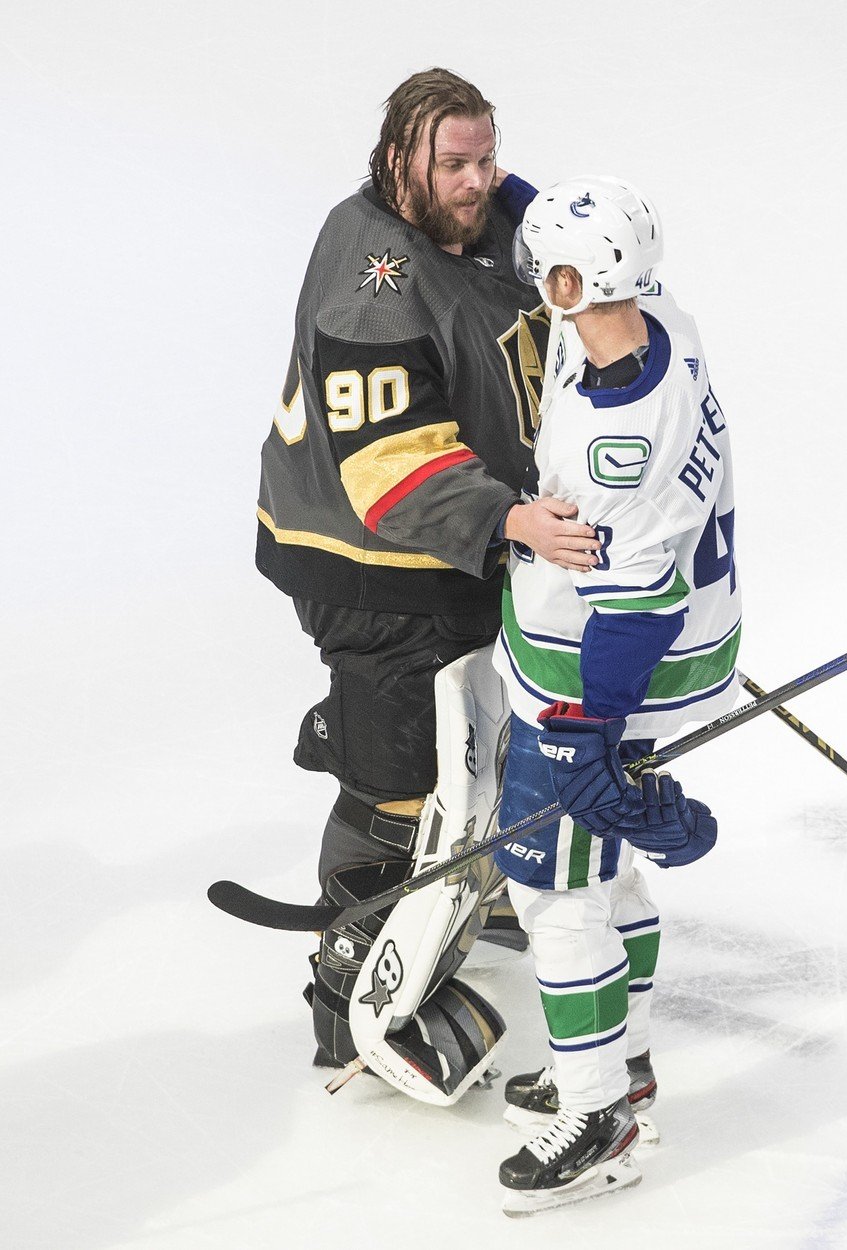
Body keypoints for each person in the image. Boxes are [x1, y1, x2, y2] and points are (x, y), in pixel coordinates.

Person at [255, 68, 599, 1075]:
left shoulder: (495, 214)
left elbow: (570, 256)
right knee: (403, 769)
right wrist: (509, 515)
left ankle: (456, 886)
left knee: (477, 739)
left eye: (487, 155)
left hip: (459, 541)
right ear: (399, 157)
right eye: (455, 162)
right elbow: (391, 467)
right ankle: (347, 982)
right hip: (371, 558)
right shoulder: (375, 281)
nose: (480, 179)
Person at [490, 176, 742, 1215]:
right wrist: (495, 179)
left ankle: (599, 1111)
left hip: (599, 670)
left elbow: (633, 606)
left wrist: (590, 732)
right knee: (606, 866)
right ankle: (623, 1057)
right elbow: (581, 234)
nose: (532, 283)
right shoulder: (657, 318)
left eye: (542, 270)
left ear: (567, 281)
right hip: (671, 647)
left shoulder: (615, 443)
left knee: (553, 886)